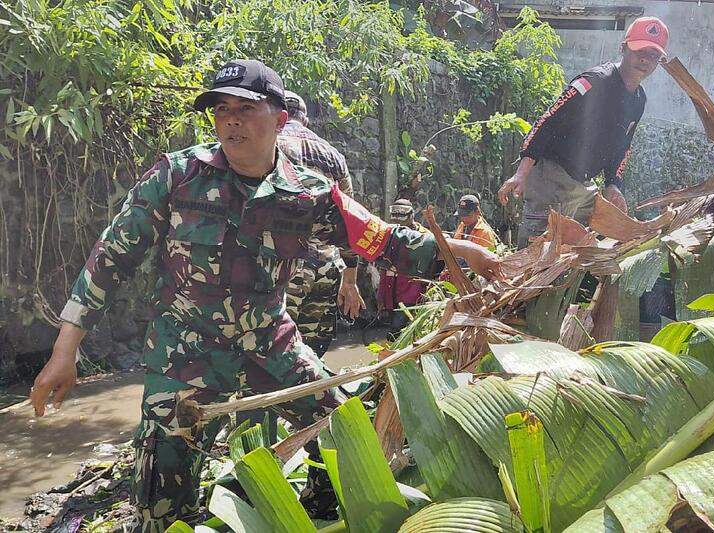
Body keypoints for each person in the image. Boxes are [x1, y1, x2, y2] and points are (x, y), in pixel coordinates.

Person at [28, 59, 501, 532]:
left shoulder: (309, 193)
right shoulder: (178, 176)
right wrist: (65, 350)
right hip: (184, 359)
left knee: (346, 428)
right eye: (221, 109)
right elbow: (110, 256)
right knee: (159, 506)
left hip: (271, 348)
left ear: (280, 119)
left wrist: (456, 251)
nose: (230, 119)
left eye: (246, 107)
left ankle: (322, 510)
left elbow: (383, 241)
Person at [497, 16, 669, 247]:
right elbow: (548, 120)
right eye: (640, 51)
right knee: (535, 252)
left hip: (582, 185)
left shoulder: (639, 99)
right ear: (623, 47)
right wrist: (521, 172)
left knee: (576, 254)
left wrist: (613, 184)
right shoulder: (594, 82)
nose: (645, 60)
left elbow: (623, 146)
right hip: (552, 176)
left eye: (653, 55)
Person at [279, 90, 363, 357]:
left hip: (285, 264)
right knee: (311, 354)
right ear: (305, 119)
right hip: (327, 265)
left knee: (274, 347)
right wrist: (350, 279)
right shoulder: (333, 155)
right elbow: (350, 218)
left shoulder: (269, 144)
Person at [377, 199, 428, 332]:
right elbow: (384, 267)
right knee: (395, 333)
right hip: (391, 293)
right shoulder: (389, 234)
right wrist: (381, 294)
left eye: (402, 218)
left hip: (412, 294)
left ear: (412, 215)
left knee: (396, 332)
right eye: (395, 219)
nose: (398, 223)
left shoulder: (425, 238)